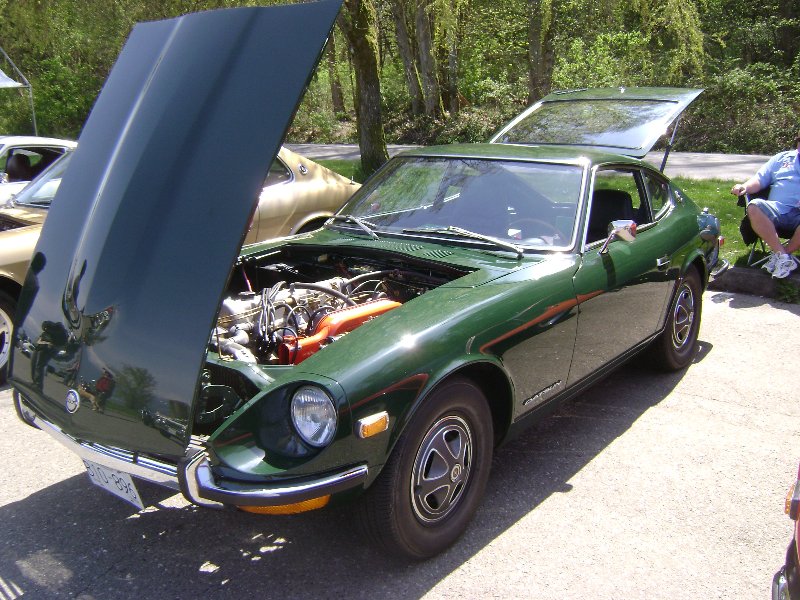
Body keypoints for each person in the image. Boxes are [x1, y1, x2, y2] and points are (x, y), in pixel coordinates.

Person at [731, 133, 800, 279]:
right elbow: (760, 179)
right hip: (777, 210)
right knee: (754, 206)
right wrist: (744, 187)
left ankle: (782, 256)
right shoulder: (781, 159)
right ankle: (783, 258)